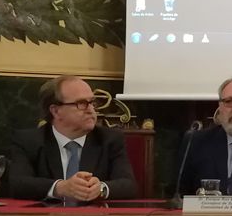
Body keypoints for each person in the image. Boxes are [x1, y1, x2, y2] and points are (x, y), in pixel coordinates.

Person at [9, 75, 138, 202]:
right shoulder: (28, 141)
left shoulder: (109, 139)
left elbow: (129, 185)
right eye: (81, 103)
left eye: (92, 102)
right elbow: (18, 184)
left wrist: (101, 188)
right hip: (47, 215)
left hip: (95, 214)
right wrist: (60, 188)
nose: (91, 110)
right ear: (56, 111)